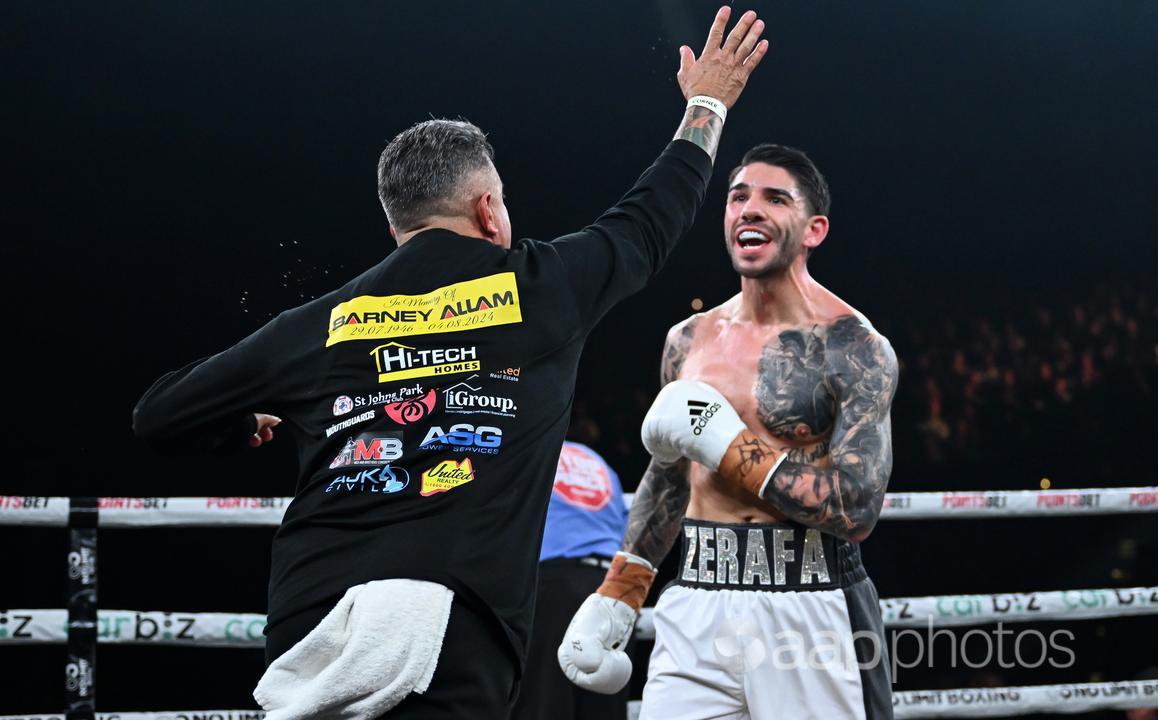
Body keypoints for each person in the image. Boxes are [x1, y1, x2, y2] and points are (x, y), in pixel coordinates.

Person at [131, 8, 769, 718]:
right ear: (488, 209)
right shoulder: (540, 287)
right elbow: (658, 212)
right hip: (451, 623)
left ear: (396, 224)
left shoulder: (320, 323)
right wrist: (707, 103)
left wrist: (239, 426)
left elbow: (159, 415)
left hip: (309, 616)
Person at [559, 144, 898, 720]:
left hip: (810, 609)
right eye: (738, 196)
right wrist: (621, 591)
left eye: (774, 198)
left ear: (814, 229)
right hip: (698, 599)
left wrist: (730, 444)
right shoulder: (687, 341)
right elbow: (669, 477)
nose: (749, 209)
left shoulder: (854, 347)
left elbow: (858, 509)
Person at [512, 436, 630, 720]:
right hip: (612, 584)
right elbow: (628, 525)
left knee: (545, 700)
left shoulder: (531, 449)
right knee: (604, 702)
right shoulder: (595, 460)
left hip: (555, 582)